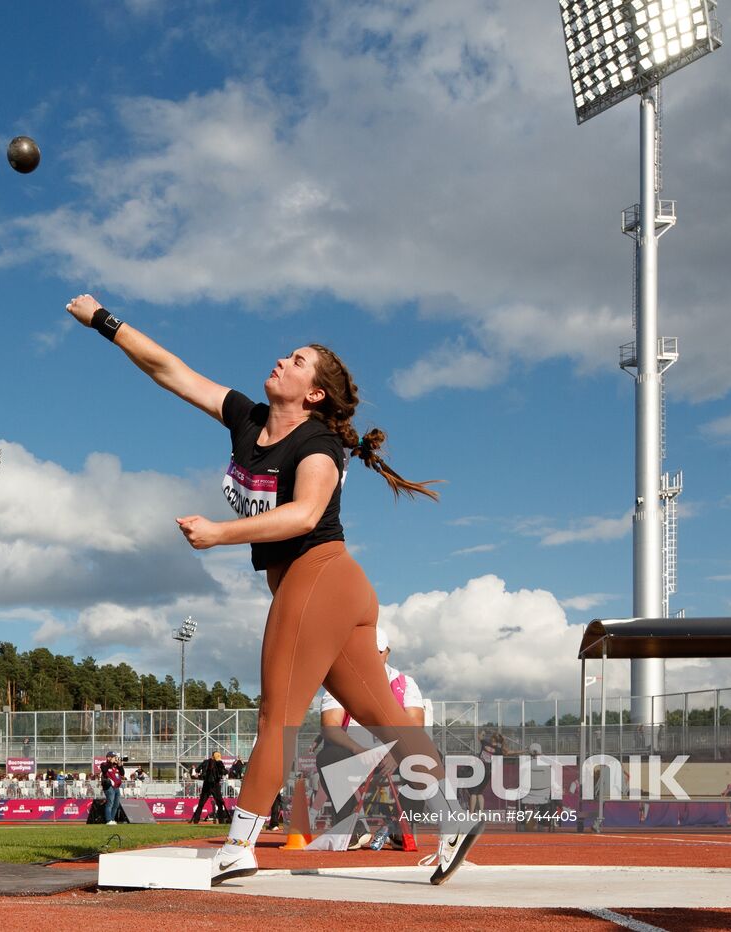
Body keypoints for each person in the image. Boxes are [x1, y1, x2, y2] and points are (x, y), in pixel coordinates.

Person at [64, 294, 481, 886]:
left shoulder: (318, 446)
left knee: (276, 717)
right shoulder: (248, 419)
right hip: (332, 591)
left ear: (314, 393)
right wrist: (105, 322)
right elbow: (171, 371)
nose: (282, 361)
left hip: (321, 578)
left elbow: (306, 515)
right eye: (287, 354)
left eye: (298, 360)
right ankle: (453, 815)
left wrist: (219, 534)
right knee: (382, 717)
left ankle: (238, 846)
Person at [315, 627, 425, 846]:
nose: (372, 658)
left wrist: (396, 752)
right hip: (355, 752)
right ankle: (351, 827)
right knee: (328, 757)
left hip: (394, 752)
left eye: (378, 652)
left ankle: (397, 827)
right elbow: (331, 726)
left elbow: (415, 726)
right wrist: (359, 750)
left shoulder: (405, 683)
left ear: (387, 653)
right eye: (366, 652)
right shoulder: (339, 682)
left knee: (427, 758)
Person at [191, 752, 229, 824]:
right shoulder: (219, 763)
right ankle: (221, 821)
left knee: (201, 804)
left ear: (211, 756)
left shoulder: (205, 762)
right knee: (219, 804)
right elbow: (224, 772)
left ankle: (196, 820)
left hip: (206, 784)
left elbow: (197, 770)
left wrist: (198, 774)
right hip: (215, 785)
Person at [98, 750, 125, 825]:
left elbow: (122, 773)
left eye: (115, 757)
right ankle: (108, 820)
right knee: (110, 803)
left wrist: (120, 765)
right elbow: (104, 770)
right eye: (113, 757)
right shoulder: (104, 764)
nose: (114, 758)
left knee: (116, 804)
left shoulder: (116, 765)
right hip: (109, 786)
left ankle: (112, 819)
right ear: (108, 758)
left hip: (117, 787)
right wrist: (110, 762)